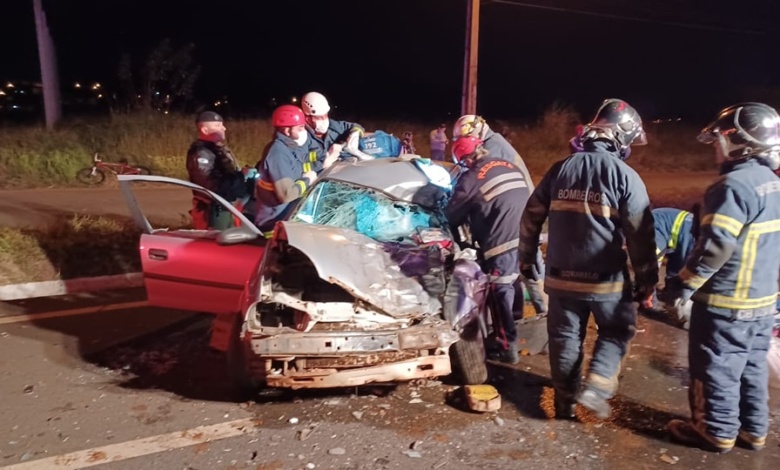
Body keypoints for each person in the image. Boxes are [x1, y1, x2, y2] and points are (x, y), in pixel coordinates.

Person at [518, 98, 658, 420]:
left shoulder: (560, 170)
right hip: (605, 281)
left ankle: (565, 402)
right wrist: (647, 280)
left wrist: (527, 258)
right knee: (617, 330)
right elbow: (641, 236)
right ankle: (597, 387)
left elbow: (531, 217)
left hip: (560, 279)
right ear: (621, 137)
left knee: (565, 338)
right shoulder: (626, 176)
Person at [664, 103, 780, 454]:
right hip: (763, 303)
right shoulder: (773, 184)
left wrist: (682, 283)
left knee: (714, 368)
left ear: (739, 142)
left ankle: (714, 431)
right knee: (751, 367)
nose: (716, 146)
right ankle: (753, 430)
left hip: (725, 303)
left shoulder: (730, 187)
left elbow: (715, 248)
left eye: (719, 139)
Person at [446, 136, 542, 364]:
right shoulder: (507, 164)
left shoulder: (471, 177)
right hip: (528, 236)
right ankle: (515, 327)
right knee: (513, 282)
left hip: (502, 242)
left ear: (465, 159)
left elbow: (451, 214)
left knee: (499, 290)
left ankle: (506, 346)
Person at [254, 105, 339, 235]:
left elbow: (301, 167)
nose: (304, 131)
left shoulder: (291, 147)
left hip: (289, 220)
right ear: (287, 131)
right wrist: (308, 180)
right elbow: (287, 195)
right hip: (274, 228)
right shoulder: (278, 153)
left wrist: (324, 163)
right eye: (300, 128)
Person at [185, 111, 248, 230]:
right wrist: (240, 177)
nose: (224, 128)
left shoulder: (217, 149)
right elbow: (209, 186)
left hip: (223, 207)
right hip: (213, 211)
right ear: (205, 130)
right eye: (218, 125)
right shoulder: (201, 153)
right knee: (216, 240)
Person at [640, 207, 696, 318]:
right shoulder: (696, 244)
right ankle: (648, 303)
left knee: (678, 267)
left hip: (673, 231)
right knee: (652, 267)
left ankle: (670, 294)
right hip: (657, 224)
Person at [453, 114, 533, 188]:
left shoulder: (490, 148)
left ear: (476, 132)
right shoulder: (493, 140)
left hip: (516, 193)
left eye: (464, 138)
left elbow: (477, 177)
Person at [301, 91, 365, 162]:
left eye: (326, 115)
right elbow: (302, 160)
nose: (325, 120)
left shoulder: (333, 126)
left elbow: (355, 126)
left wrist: (355, 134)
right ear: (308, 119)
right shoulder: (302, 137)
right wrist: (326, 157)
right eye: (320, 117)